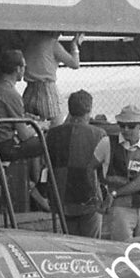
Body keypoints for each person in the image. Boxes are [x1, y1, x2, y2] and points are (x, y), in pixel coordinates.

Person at [45, 89, 111, 239]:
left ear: (70, 109)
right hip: (89, 198)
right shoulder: (98, 134)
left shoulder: (53, 134)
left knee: (71, 244)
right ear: (89, 108)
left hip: (62, 198)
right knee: (92, 246)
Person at [0, 48, 47, 213]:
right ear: (17, 69)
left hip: (2, 141)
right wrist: (41, 126)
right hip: (6, 146)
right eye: (23, 66)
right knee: (48, 142)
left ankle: (35, 185)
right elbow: (24, 134)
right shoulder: (11, 93)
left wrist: (28, 119)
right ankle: (41, 187)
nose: (25, 70)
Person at [106, 104, 140, 242]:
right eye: (122, 126)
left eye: (131, 126)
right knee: (121, 249)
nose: (126, 130)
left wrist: (115, 193)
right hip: (121, 206)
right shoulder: (109, 144)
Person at [20, 32, 82, 125]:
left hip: (29, 91)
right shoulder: (52, 44)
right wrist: (74, 45)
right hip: (47, 90)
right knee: (57, 124)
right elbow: (75, 63)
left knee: (33, 126)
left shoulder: (29, 42)